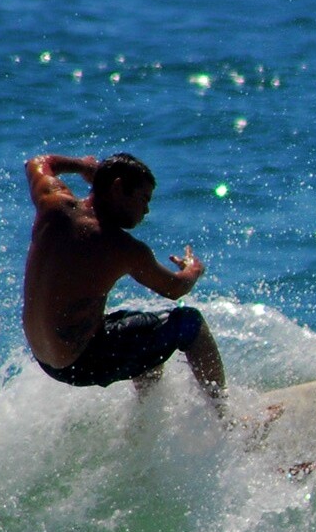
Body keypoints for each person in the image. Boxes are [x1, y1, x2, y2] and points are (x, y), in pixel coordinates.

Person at [20, 152, 227, 414]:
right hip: (83, 361)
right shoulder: (122, 247)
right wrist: (193, 270)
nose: (147, 210)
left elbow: (37, 163)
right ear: (118, 188)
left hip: (45, 358)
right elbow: (175, 289)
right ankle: (226, 419)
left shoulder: (53, 204)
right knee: (189, 322)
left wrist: (84, 166)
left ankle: (144, 420)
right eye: (143, 199)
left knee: (141, 327)